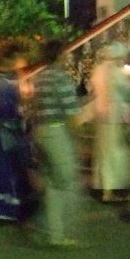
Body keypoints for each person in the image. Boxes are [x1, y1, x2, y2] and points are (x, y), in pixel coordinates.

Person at [30, 39, 83, 247]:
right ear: (60, 55)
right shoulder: (61, 79)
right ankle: (50, 226)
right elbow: (71, 113)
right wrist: (78, 140)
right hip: (55, 131)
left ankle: (55, 234)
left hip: (40, 131)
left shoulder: (40, 78)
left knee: (52, 183)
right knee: (65, 180)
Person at [0, 45, 34, 225]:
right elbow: (4, 110)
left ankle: (6, 208)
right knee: (4, 171)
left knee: (7, 170)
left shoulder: (6, 81)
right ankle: (3, 209)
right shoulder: (4, 84)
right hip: (3, 135)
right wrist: (21, 112)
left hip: (4, 133)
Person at [90, 41, 130, 202]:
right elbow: (129, 92)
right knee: (115, 153)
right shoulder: (116, 72)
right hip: (115, 117)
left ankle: (105, 188)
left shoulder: (98, 70)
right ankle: (110, 191)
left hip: (101, 116)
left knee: (104, 154)